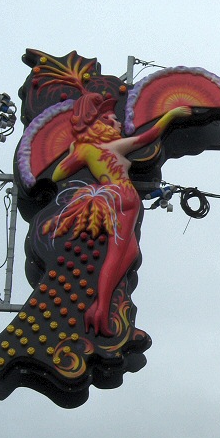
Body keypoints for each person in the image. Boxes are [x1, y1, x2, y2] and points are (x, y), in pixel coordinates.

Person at [45, 92, 191, 336]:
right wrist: (171, 115)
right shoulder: (108, 146)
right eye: (113, 119)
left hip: (119, 198)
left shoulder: (84, 150)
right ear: (99, 124)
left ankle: (102, 303)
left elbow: (58, 173)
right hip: (121, 197)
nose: (119, 124)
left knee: (130, 252)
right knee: (115, 252)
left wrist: (73, 148)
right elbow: (149, 136)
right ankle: (101, 308)